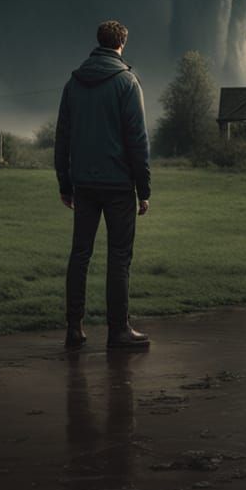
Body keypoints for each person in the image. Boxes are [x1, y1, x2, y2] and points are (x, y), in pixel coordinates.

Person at [54, 20, 152, 350]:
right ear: (122, 44)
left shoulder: (73, 83)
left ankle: (74, 328)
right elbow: (138, 140)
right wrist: (144, 189)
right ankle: (118, 331)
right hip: (119, 186)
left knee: (79, 254)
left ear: (99, 42)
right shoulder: (127, 82)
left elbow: (62, 138)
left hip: (83, 184)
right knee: (119, 256)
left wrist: (65, 185)